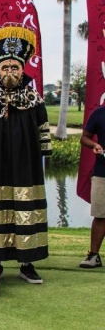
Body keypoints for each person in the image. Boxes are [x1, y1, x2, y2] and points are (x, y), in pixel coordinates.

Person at [0, 23, 51, 283]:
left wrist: (43, 155)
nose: (10, 72)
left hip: (25, 163)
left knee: (24, 207)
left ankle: (27, 263)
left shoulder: (35, 100)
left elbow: (43, 131)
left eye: (14, 67)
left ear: (23, 69)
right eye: (5, 67)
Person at [78, 107, 105, 268]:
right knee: (101, 214)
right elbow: (85, 137)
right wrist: (94, 145)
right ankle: (93, 256)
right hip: (102, 172)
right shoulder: (99, 113)